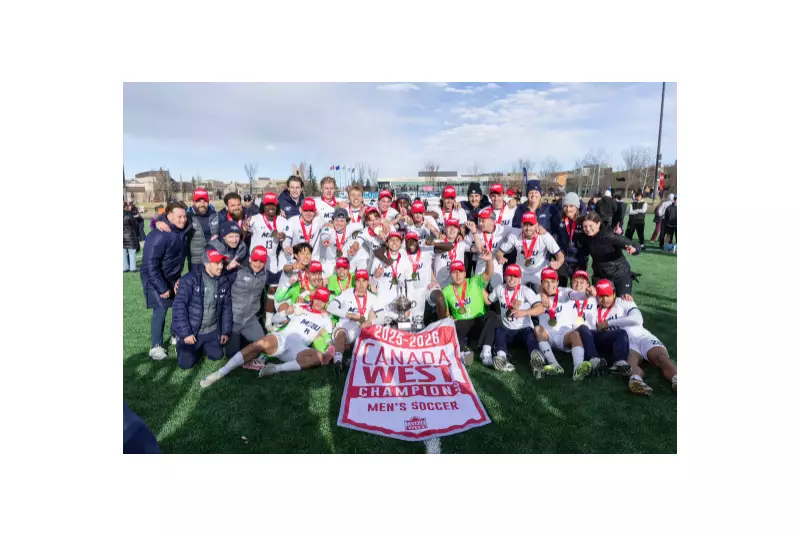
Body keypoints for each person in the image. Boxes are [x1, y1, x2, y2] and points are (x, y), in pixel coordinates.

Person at [199, 288, 335, 387]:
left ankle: (275, 369)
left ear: (326, 302)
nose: (318, 303)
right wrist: (286, 312)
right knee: (259, 344)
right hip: (283, 338)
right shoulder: (300, 306)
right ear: (313, 298)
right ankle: (220, 372)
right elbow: (275, 319)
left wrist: (330, 346)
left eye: (322, 301)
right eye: (317, 299)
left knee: (318, 357)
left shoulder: (326, 319)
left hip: (299, 346)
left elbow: (326, 335)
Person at [587, 279, 677, 395]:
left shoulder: (624, 301)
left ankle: (676, 379)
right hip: (627, 344)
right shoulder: (594, 309)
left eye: (608, 295)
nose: (605, 299)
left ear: (614, 293)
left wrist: (609, 323)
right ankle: (637, 381)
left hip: (642, 336)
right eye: (601, 296)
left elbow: (637, 319)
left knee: (661, 358)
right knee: (630, 365)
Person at [140, 202, 190, 360]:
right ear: (169, 216)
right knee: (160, 309)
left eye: (184, 216)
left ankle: (175, 334)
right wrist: (161, 288)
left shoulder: (182, 230)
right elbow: (150, 265)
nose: (183, 220)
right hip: (154, 277)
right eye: (179, 217)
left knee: (178, 305)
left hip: (173, 276)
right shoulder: (158, 234)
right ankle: (156, 346)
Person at [171, 248, 233, 369]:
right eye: (217, 263)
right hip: (193, 330)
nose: (221, 266)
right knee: (186, 363)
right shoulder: (189, 280)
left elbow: (227, 308)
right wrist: (186, 333)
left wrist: (226, 331)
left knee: (217, 355)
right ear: (206, 263)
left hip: (211, 330)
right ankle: (180, 342)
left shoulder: (224, 281)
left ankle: (203, 346)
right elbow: (179, 308)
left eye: (222, 263)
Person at [533, 268, 598, 381]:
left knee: (575, 334)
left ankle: (578, 368)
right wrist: (541, 293)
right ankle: (555, 365)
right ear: (541, 283)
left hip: (564, 335)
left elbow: (575, 295)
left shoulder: (564, 291)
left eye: (553, 281)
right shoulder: (536, 297)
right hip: (547, 336)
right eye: (546, 282)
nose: (550, 285)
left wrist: (587, 295)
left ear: (558, 282)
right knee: (538, 328)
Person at [565, 276, 632, 377]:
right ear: (571, 283)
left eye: (582, 282)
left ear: (588, 285)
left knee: (621, 333)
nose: (578, 285)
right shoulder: (566, 295)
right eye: (575, 282)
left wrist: (625, 295)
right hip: (578, 335)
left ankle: (619, 363)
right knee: (583, 327)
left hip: (595, 334)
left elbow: (606, 295)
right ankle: (594, 359)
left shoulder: (595, 298)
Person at [441, 256, 501, 367]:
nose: (458, 275)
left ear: (465, 273)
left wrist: (488, 260)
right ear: (450, 275)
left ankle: (486, 352)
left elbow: (489, 273)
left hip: (478, 321)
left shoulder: (474, 281)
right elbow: (445, 311)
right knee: (451, 326)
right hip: (462, 322)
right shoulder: (446, 290)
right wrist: (449, 317)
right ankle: (463, 353)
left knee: (492, 315)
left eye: (460, 272)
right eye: (454, 272)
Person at [486, 264, 546, 373]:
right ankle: (501, 359)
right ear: (505, 276)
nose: (512, 279)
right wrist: (478, 287)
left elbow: (540, 308)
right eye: (509, 276)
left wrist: (525, 312)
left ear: (520, 278)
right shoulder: (500, 288)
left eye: (515, 276)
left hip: (524, 328)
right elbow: (488, 301)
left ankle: (536, 361)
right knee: (499, 331)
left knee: (530, 337)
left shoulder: (525, 290)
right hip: (507, 328)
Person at [246, 191, 288, 328]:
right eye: (268, 204)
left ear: (277, 206)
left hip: (271, 262)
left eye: (273, 205)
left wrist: (283, 236)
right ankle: (252, 321)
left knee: (272, 292)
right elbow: (244, 230)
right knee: (255, 293)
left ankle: (268, 322)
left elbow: (287, 235)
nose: (271, 207)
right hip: (256, 262)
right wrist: (244, 227)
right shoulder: (255, 219)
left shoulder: (281, 220)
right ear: (263, 206)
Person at [327, 269, 381, 372]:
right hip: (345, 325)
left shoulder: (372, 297)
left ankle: (352, 360)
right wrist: (348, 314)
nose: (361, 284)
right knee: (341, 333)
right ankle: (338, 361)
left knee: (371, 334)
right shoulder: (346, 293)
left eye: (364, 281)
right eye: (358, 281)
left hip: (361, 327)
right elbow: (331, 307)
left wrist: (370, 322)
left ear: (367, 282)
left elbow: (382, 315)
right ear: (355, 282)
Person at [578, 211, 641, 299]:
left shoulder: (609, 235)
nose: (588, 229)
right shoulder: (586, 239)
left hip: (620, 274)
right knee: (599, 302)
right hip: (600, 275)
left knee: (623, 300)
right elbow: (582, 255)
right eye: (585, 226)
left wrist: (634, 249)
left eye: (590, 226)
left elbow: (635, 245)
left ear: (598, 224)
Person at [496, 211, 564, 292]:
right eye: (525, 225)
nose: (528, 228)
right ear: (521, 224)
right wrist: (500, 258)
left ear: (537, 224)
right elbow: (499, 252)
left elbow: (560, 255)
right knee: (513, 296)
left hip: (539, 271)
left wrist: (558, 263)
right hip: (521, 271)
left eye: (531, 225)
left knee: (545, 297)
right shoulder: (514, 235)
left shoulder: (545, 236)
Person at [224, 246, 269, 358]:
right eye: (255, 260)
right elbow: (218, 278)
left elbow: (281, 276)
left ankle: (244, 338)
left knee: (264, 346)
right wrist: (227, 268)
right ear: (250, 259)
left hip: (250, 319)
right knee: (230, 354)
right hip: (233, 319)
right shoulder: (238, 271)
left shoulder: (266, 274)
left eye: (261, 261)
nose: (258, 264)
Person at [462, 207, 509, 289]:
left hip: (496, 263)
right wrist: (473, 248)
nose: (480, 223)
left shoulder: (503, 229)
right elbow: (463, 244)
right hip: (481, 262)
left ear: (493, 221)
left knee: (498, 289)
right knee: (478, 289)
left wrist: (538, 228)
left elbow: (518, 233)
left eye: (483, 221)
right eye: (479, 220)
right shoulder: (475, 230)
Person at [552, 192, 588, 287]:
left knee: (578, 289)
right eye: (565, 206)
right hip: (563, 260)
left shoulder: (584, 220)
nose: (568, 209)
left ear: (577, 207)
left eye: (571, 206)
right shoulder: (559, 219)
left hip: (578, 262)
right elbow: (554, 237)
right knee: (560, 289)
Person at [185, 188, 220, 272]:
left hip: (213, 260)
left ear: (208, 202)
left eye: (204, 201)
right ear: (193, 202)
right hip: (196, 262)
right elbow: (171, 216)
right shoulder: (187, 216)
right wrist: (162, 221)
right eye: (198, 201)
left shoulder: (215, 215)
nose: (202, 204)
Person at [319, 208, 361, 278]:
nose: (339, 223)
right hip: (329, 264)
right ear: (333, 220)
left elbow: (363, 226)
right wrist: (325, 239)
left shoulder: (351, 227)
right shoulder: (329, 228)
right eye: (336, 220)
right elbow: (324, 233)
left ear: (347, 222)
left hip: (343, 264)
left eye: (342, 221)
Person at [433, 218, 468, 288]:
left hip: (456, 286)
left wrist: (474, 232)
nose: (452, 229)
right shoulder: (437, 242)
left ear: (458, 231)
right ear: (445, 229)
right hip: (439, 286)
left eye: (455, 227)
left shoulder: (462, 244)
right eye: (449, 227)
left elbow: (478, 248)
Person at [123, 202, 140, 272]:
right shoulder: (128, 214)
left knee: (123, 252)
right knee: (132, 251)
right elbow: (134, 224)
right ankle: (133, 267)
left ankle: (125, 267)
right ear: (125, 207)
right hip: (129, 235)